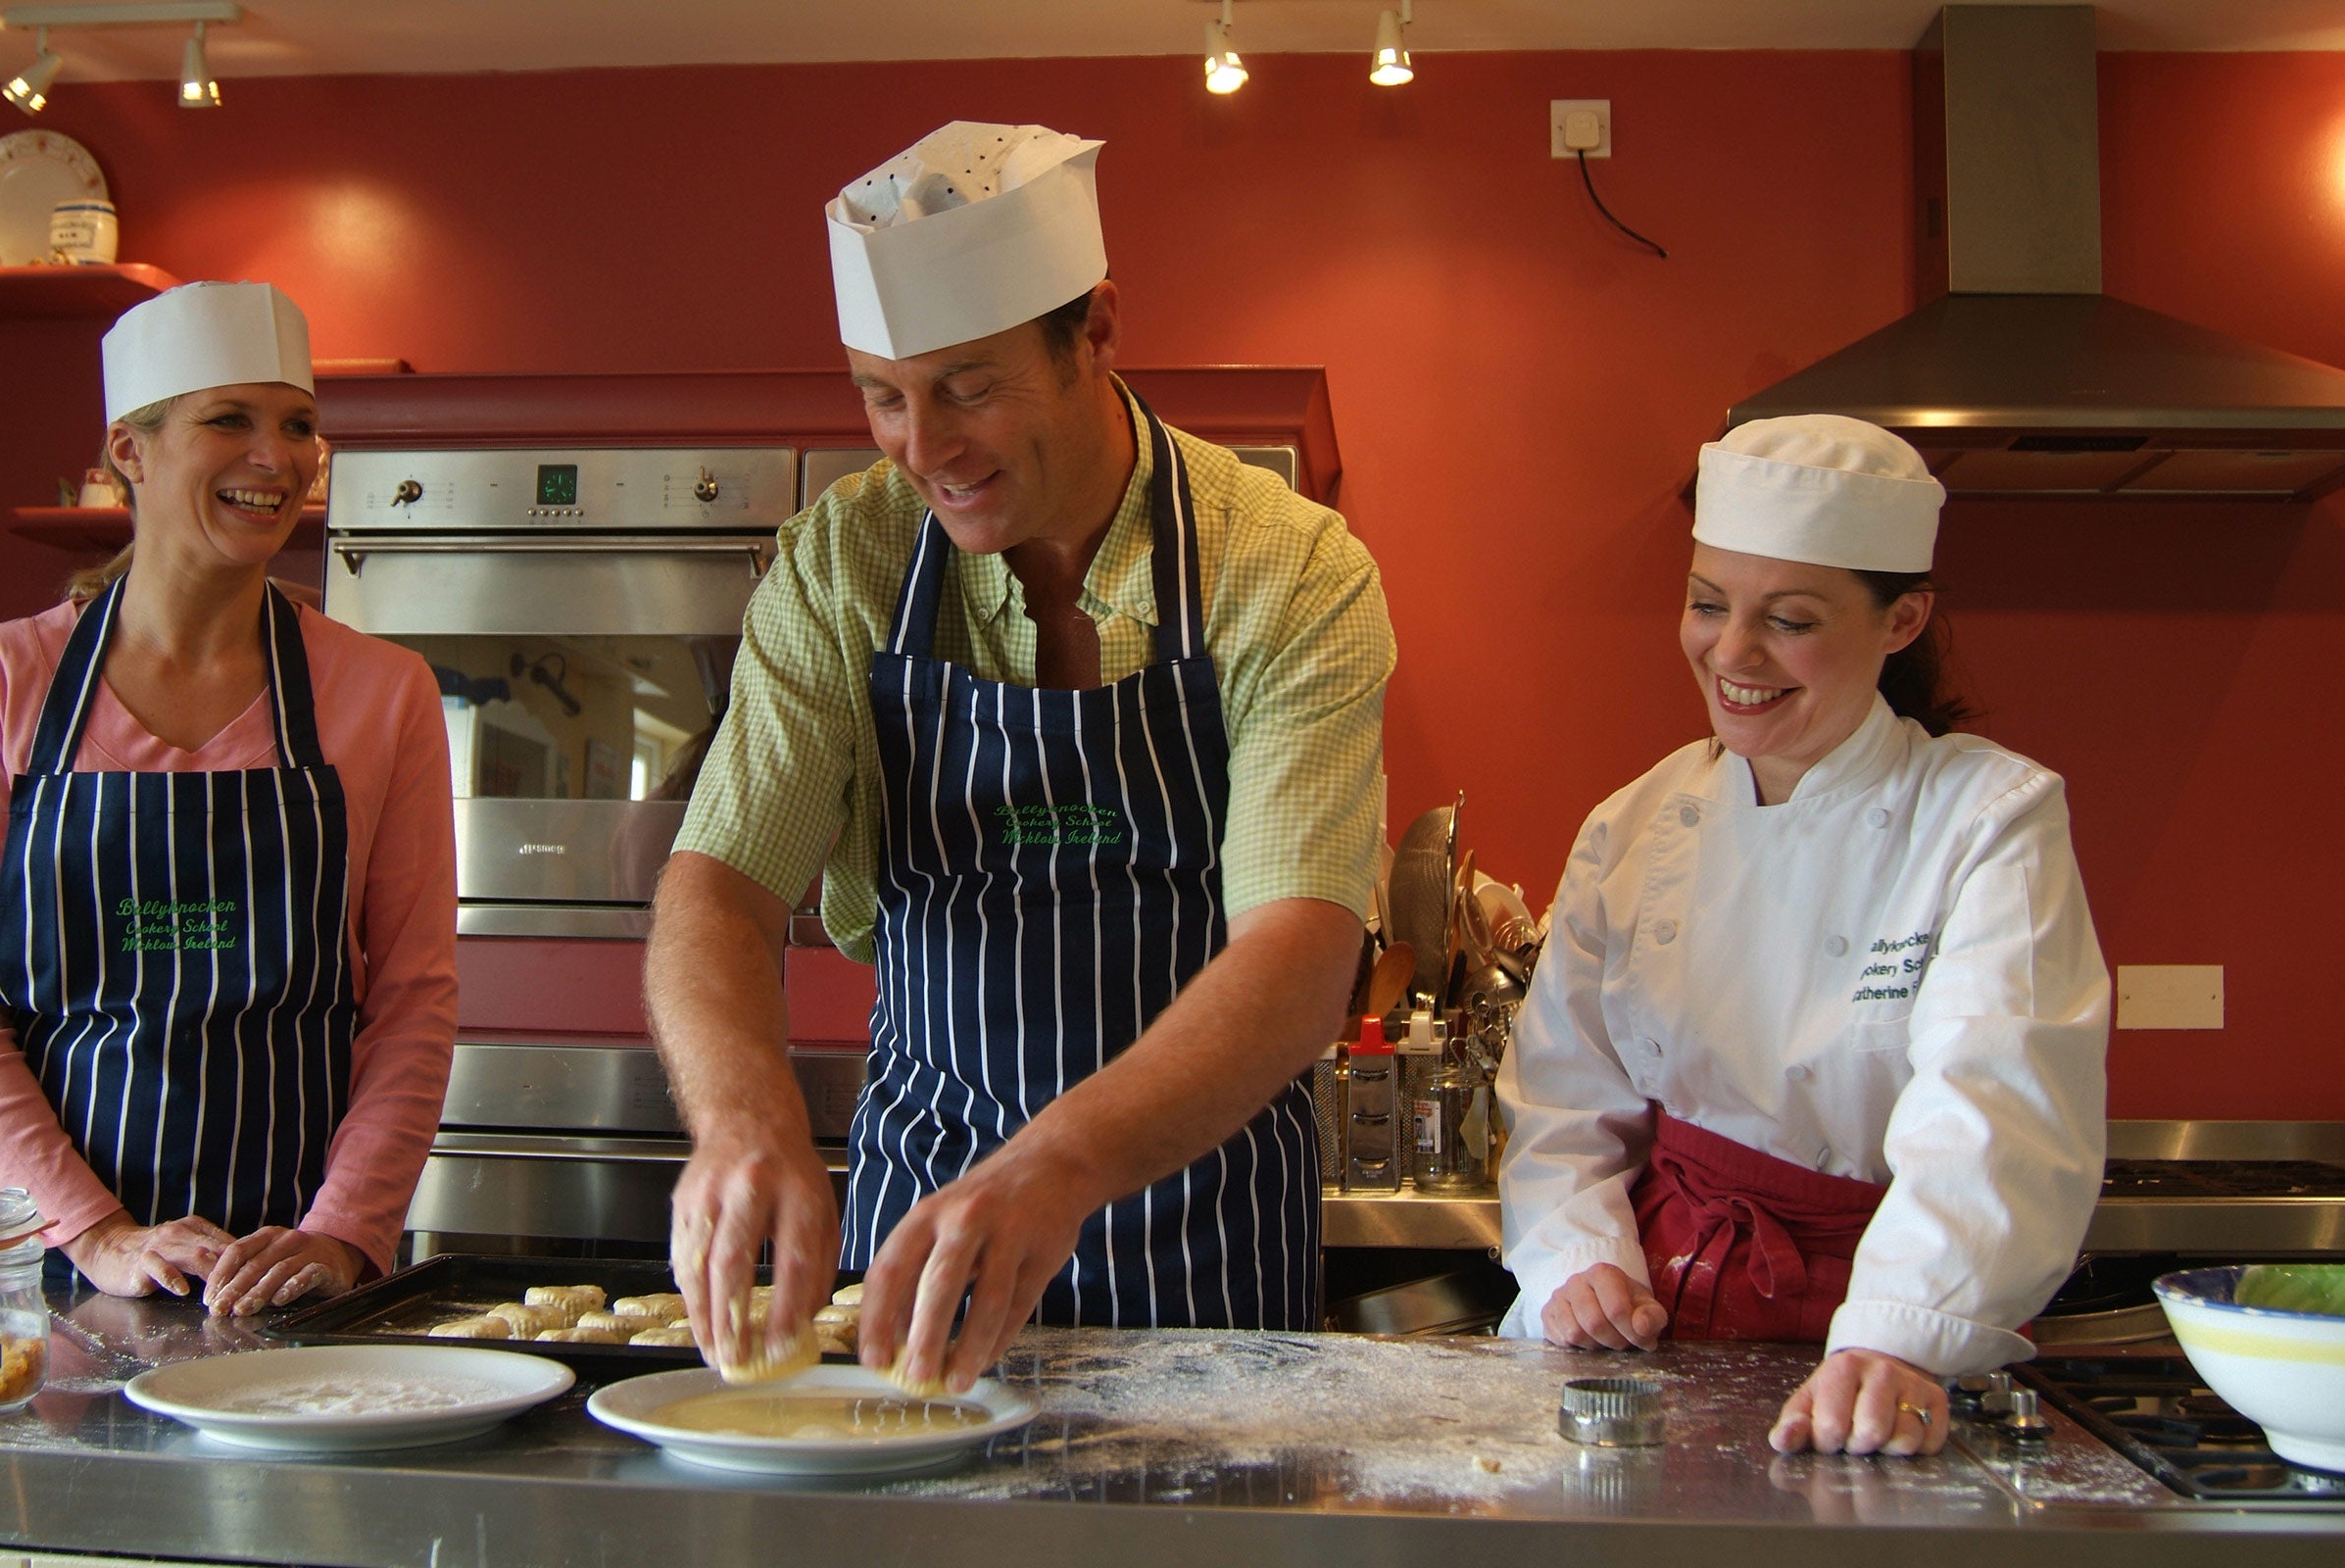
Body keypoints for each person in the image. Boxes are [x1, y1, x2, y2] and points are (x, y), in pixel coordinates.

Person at [649, 122, 1392, 1391]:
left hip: (1203, 1242)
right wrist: (743, 1116)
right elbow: (717, 882)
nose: (923, 448)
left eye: (968, 386)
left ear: (1096, 332)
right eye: (883, 396)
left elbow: (1301, 950)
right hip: (920, 1238)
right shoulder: (848, 562)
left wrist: (1057, 1166)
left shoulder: (1286, 569)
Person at [1495, 415, 2109, 1458]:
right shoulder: (1634, 823)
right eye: (1706, 604)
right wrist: (1576, 1260)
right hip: (1648, 1336)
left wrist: (1899, 1333)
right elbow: (1562, 1093)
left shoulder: (1985, 817)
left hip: (1880, 1338)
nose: (1732, 653)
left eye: (1788, 618)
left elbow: (1996, 1101)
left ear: (1903, 617)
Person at [0, 282, 457, 1313]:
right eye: (229, 420)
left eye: (298, 426)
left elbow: (412, 1002)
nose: (277, 457)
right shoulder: (8, 685)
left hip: (292, 1277)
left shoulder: (383, 693)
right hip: (36, 1262)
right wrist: (99, 1234)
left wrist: (339, 1236)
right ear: (131, 448)